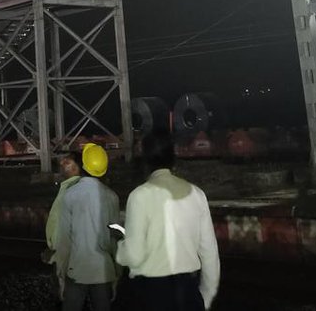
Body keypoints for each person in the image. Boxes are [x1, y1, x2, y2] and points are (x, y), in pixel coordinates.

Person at [115, 132, 220, 310]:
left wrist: (120, 250)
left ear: (145, 161)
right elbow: (210, 253)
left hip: (152, 293)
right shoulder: (197, 194)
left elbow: (134, 254)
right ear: (173, 159)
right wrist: (206, 295)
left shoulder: (139, 196)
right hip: (188, 291)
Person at [53, 144, 121, 311]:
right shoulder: (112, 197)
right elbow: (115, 239)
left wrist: (61, 277)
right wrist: (117, 276)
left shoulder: (70, 195)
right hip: (103, 271)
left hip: (77, 270)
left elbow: (64, 241)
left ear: (83, 165)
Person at [45, 151, 83, 261]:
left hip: (67, 258)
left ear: (77, 168)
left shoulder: (74, 189)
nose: (61, 162)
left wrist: (57, 254)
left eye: (67, 162)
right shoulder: (68, 187)